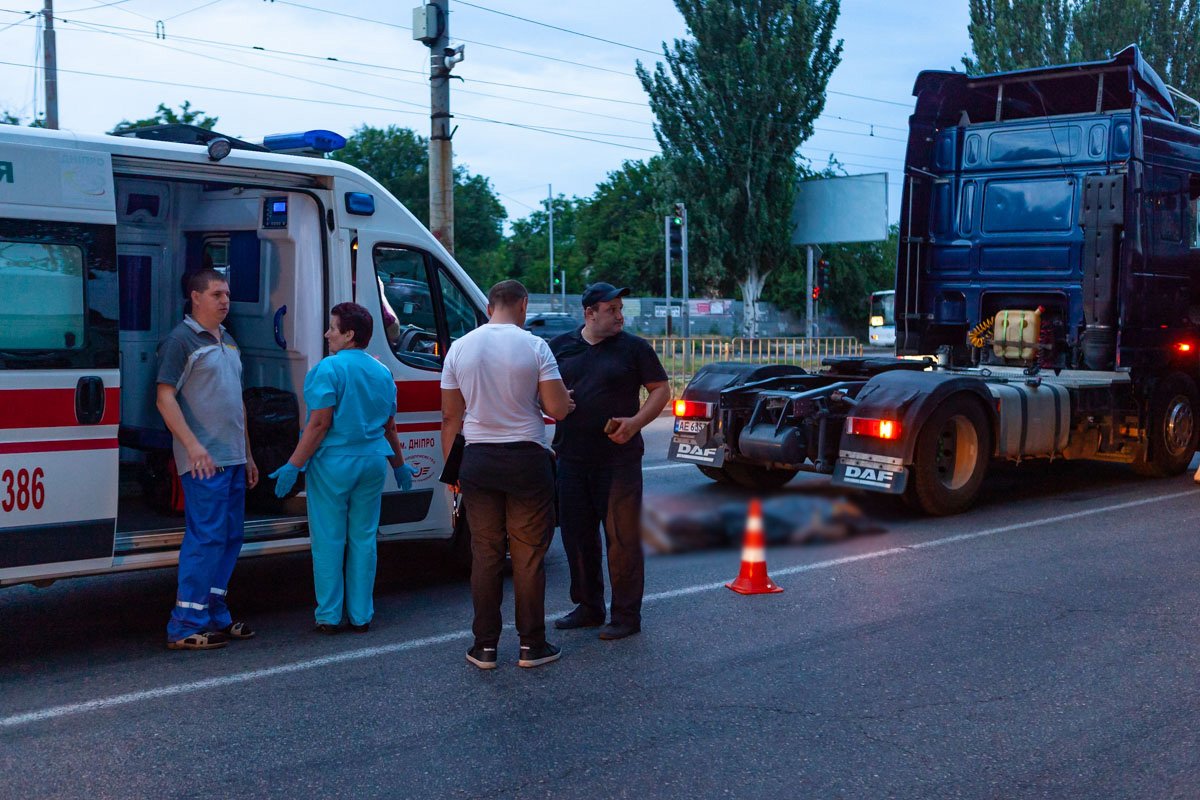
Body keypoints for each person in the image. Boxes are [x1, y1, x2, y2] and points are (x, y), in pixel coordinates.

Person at [441, 280, 573, 670]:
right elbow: (557, 408)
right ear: (523, 305)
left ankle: (484, 647)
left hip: (478, 460)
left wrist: (454, 470)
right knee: (529, 555)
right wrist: (565, 399)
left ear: (488, 307)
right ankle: (532, 645)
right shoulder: (535, 346)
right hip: (527, 460)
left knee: (486, 554)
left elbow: (451, 417)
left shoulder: (459, 348)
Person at [270, 302, 418, 634]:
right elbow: (389, 427)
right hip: (372, 464)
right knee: (364, 539)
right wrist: (400, 466)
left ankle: (329, 615)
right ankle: (362, 615)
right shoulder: (382, 372)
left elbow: (319, 424)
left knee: (328, 540)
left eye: (333, 328)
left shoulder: (328, 370)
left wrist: (294, 464)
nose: (327, 334)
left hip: (333, 464)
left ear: (349, 335)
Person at [549, 282, 670, 640]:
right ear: (590, 314)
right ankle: (588, 607)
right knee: (577, 536)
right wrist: (553, 402)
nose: (620, 316)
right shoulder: (559, 348)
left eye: (621, 309)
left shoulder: (635, 349)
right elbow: (541, 396)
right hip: (570, 457)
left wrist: (635, 423)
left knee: (622, 539)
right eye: (612, 310)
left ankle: (625, 616)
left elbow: (661, 389)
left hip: (619, 461)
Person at [156, 268, 259, 651]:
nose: (225, 301)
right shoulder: (180, 341)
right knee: (206, 537)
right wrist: (192, 446)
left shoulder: (228, 340)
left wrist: (247, 454)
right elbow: (164, 397)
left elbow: (238, 404)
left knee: (229, 536)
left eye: (227, 294)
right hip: (204, 460)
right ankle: (184, 624)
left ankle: (215, 613)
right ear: (195, 297)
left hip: (231, 458)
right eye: (216, 294)